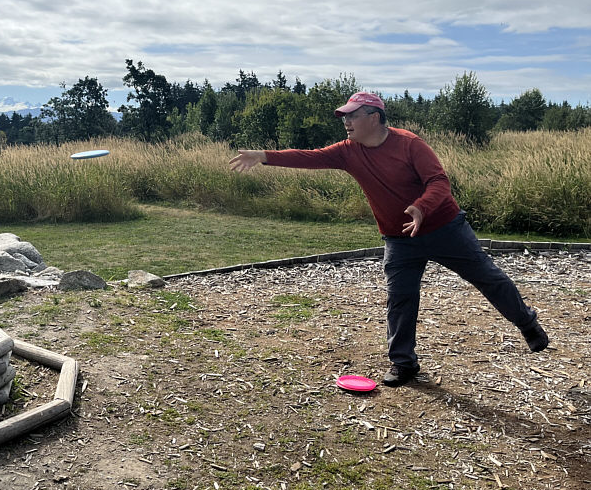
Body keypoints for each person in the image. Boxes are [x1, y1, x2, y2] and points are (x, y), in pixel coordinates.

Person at [229, 91, 549, 387]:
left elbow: (439, 182)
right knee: (400, 298)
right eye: (345, 117)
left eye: (353, 116)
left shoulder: (410, 144)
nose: (347, 122)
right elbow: (310, 157)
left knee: (488, 277)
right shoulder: (347, 152)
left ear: (374, 117)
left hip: (445, 228)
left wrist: (421, 208)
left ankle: (527, 323)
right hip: (400, 239)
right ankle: (404, 364)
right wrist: (264, 156)